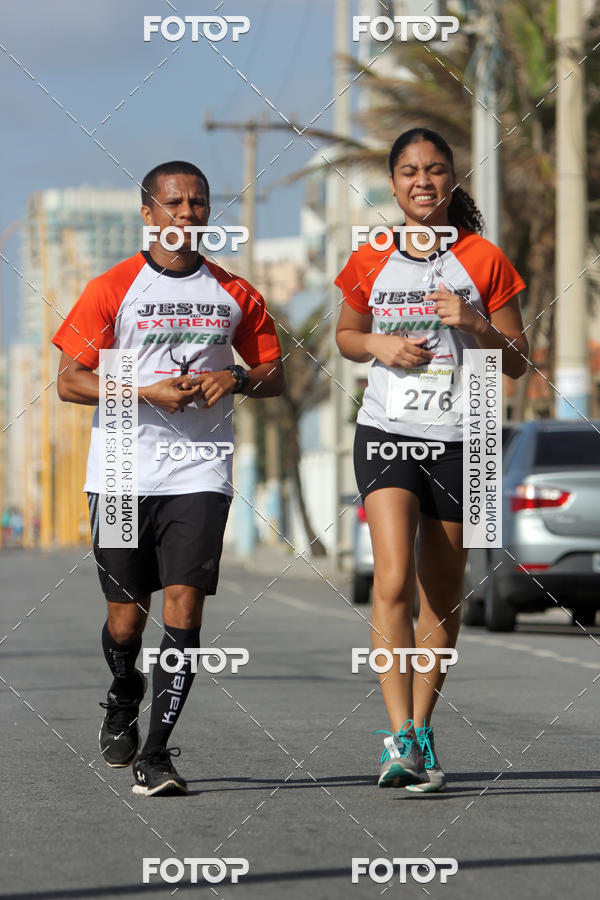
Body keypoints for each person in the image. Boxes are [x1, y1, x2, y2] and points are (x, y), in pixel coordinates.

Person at [52, 161, 285, 796]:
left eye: (198, 204)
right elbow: (70, 381)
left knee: (184, 608)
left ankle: (157, 754)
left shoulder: (234, 294)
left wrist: (232, 378)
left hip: (200, 474)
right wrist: (144, 390)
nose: (187, 214)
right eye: (174, 204)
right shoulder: (113, 288)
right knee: (126, 622)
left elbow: (274, 374)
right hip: (123, 471)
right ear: (149, 214)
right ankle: (124, 684)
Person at [335, 128, 527, 792]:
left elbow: (519, 363)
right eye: (410, 171)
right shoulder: (371, 256)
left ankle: (421, 728)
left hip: (464, 435)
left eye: (436, 170)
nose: (423, 180)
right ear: (392, 184)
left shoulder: (484, 258)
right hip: (386, 431)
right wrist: (378, 348)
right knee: (391, 581)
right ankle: (396, 739)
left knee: (442, 594)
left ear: (452, 180)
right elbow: (345, 333)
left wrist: (474, 322)